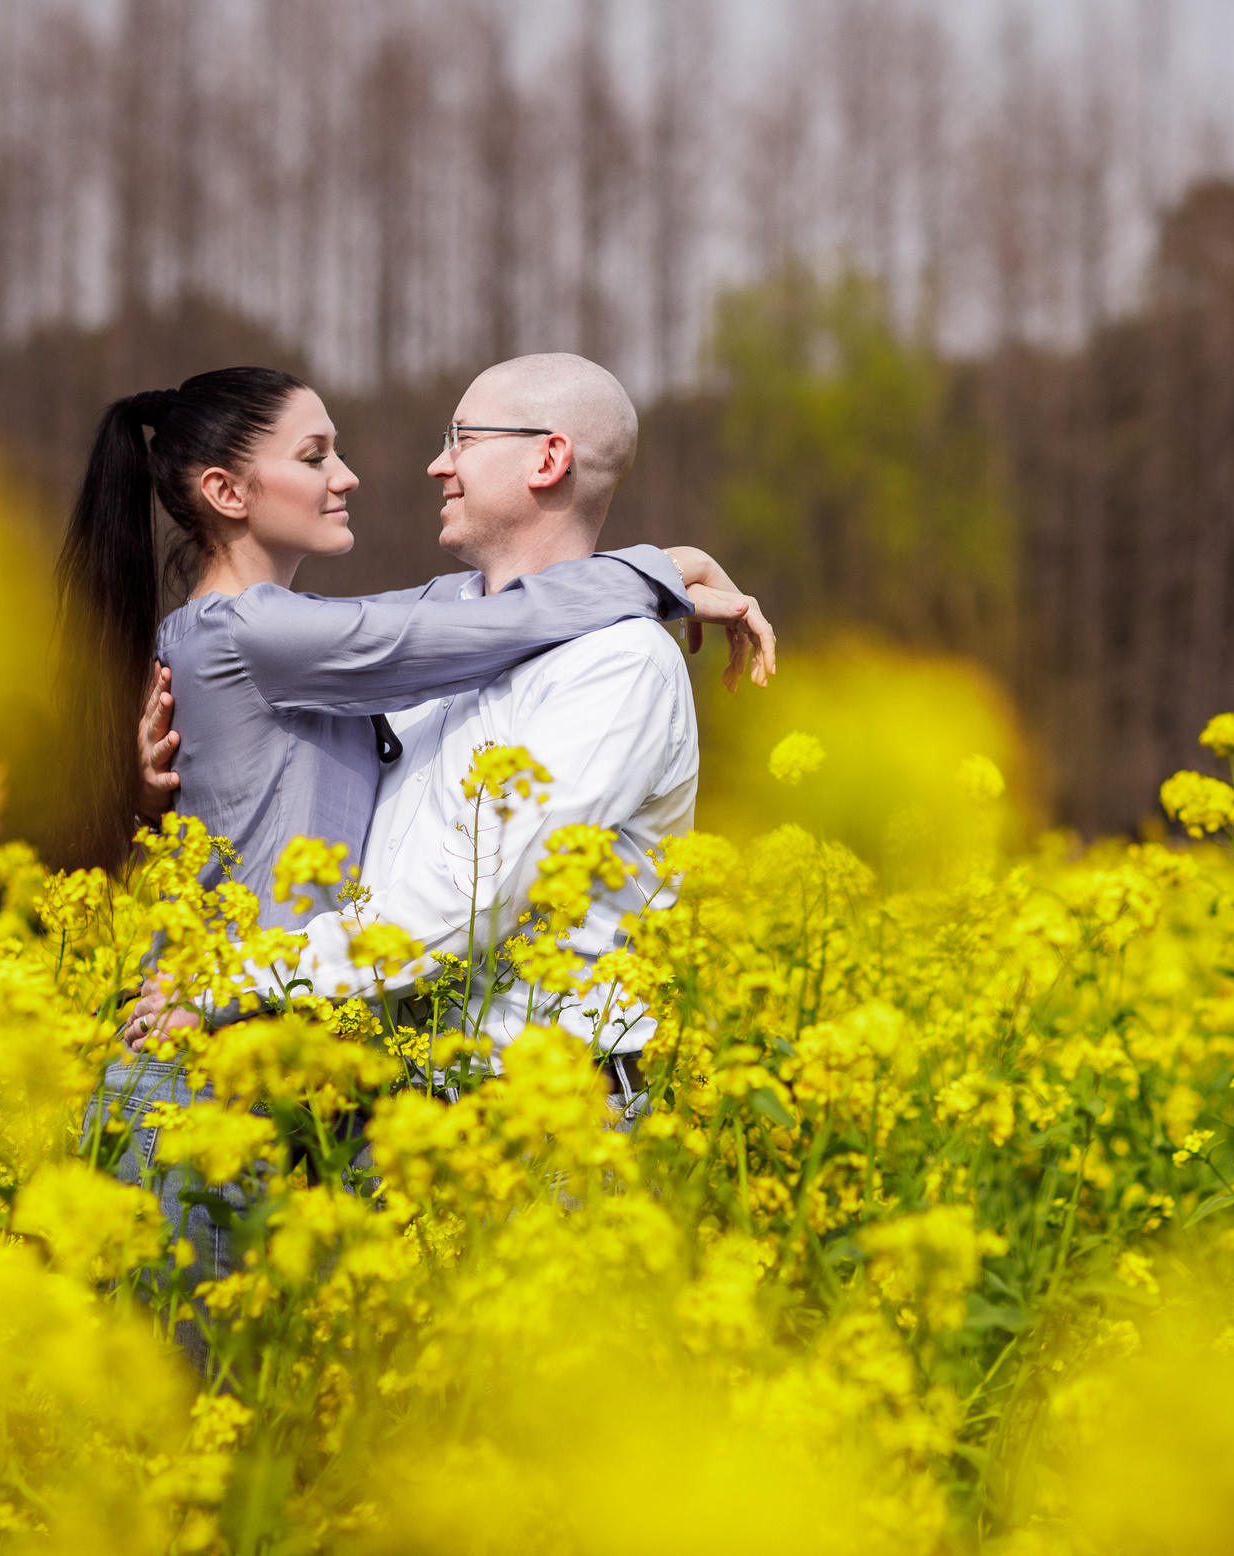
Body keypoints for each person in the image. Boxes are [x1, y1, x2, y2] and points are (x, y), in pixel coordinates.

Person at [60, 365, 769, 1291]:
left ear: (549, 459)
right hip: (232, 1069)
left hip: (444, 1109)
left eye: (460, 441)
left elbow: (460, 887)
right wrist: (655, 570)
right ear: (226, 493)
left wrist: (651, 574)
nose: (418, 468)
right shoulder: (273, 636)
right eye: (317, 456)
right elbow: (446, 637)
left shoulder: (602, 662)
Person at [278, 353, 729, 1116]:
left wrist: (243, 975)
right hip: (391, 1113)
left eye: (461, 438)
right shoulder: (434, 632)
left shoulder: (620, 663)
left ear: (549, 458)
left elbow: (474, 896)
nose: (436, 465)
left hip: (537, 1121)